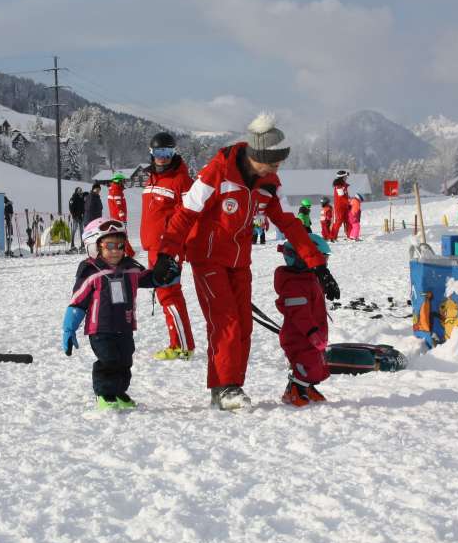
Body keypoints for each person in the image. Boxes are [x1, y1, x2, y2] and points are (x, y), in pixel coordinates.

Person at [153, 113, 340, 411]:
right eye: (274, 162)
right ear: (258, 156)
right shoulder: (217, 173)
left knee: (242, 326)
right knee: (225, 321)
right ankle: (224, 387)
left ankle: (231, 386)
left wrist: (318, 265)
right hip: (207, 258)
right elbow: (185, 214)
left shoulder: (269, 183)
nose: (277, 168)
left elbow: (289, 223)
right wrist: (166, 255)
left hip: (240, 261)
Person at [62, 218, 164, 410]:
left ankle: (119, 392)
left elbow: (148, 278)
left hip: (124, 326)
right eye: (109, 245)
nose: (116, 250)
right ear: (95, 246)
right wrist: (69, 328)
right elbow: (77, 302)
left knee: (125, 360)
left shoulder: (130, 268)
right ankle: (105, 394)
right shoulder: (91, 272)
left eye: (120, 245)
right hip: (100, 328)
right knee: (108, 360)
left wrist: (164, 274)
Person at [140, 131, 196, 360]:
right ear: (151, 154)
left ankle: (183, 346)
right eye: (158, 153)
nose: (163, 158)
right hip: (153, 247)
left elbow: (192, 215)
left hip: (169, 249)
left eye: (168, 152)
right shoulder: (151, 178)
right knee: (165, 295)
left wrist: (185, 248)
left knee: (170, 295)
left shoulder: (182, 180)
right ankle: (177, 342)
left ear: (174, 153)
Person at [275, 234, 332, 406]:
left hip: (310, 334)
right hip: (299, 335)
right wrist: (312, 332)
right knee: (308, 364)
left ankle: (305, 386)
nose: (324, 263)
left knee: (318, 364)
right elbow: (300, 313)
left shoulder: (307, 278)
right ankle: (295, 390)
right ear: (302, 259)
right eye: (321, 259)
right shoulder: (294, 284)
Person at [330, 170, 350, 241]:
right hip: (340, 207)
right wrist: (349, 202)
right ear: (342, 177)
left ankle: (350, 235)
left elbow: (345, 196)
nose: (346, 178)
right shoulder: (338, 186)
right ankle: (333, 237)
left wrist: (348, 202)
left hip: (345, 206)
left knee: (348, 220)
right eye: (345, 176)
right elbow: (341, 197)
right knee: (339, 221)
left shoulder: (343, 185)